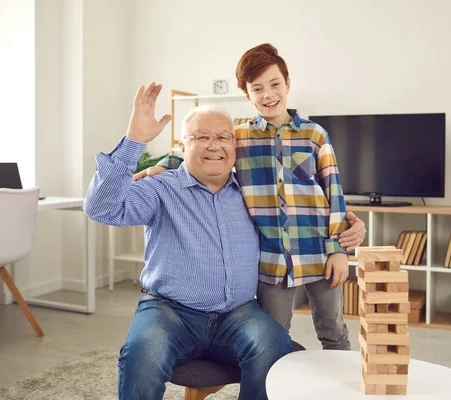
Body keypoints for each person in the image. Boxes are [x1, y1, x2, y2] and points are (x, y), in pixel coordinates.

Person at [135, 43, 366, 351]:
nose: (268, 94)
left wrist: (338, 250)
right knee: (273, 336)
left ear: (287, 83)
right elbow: (197, 151)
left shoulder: (315, 135)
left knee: (333, 330)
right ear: (247, 94)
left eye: (274, 84)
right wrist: (162, 166)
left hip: (320, 253)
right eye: (257, 88)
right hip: (270, 262)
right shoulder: (240, 136)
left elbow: (334, 193)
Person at [83, 82, 292, 400]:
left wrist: (348, 222)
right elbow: (101, 208)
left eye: (224, 137)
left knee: (273, 341)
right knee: (142, 352)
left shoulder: (253, 192)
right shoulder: (160, 187)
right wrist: (134, 141)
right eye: (202, 137)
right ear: (182, 145)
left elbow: (309, 214)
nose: (215, 146)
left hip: (238, 313)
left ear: (235, 147)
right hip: (170, 311)